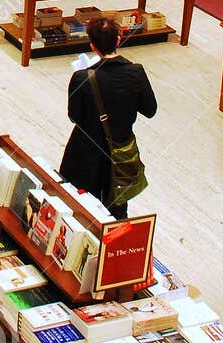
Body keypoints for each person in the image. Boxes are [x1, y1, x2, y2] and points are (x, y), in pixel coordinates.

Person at [59, 17, 156, 220]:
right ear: (119, 40)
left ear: (92, 46)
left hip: (85, 152)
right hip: (119, 154)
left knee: (77, 209)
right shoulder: (136, 72)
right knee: (117, 212)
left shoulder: (81, 77)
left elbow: (74, 116)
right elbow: (150, 110)